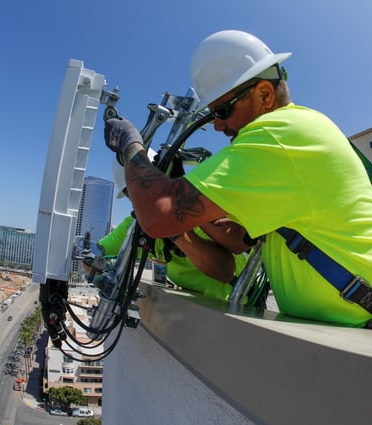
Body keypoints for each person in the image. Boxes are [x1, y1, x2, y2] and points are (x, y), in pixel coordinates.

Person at [103, 29, 372, 327]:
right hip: (349, 321)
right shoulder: (297, 131)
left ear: (265, 95)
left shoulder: (278, 135)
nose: (217, 126)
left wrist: (130, 145)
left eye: (222, 110)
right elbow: (237, 236)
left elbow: (157, 215)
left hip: (356, 322)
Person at [83, 157, 249, 302]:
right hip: (194, 313)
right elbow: (96, 253)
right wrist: (99, 274)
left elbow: (225, 271)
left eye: (142, 190)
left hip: (234, 305)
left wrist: (174, 230)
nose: (139, 200)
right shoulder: (136, 224)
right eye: (131, 194)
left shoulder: (197, 212)